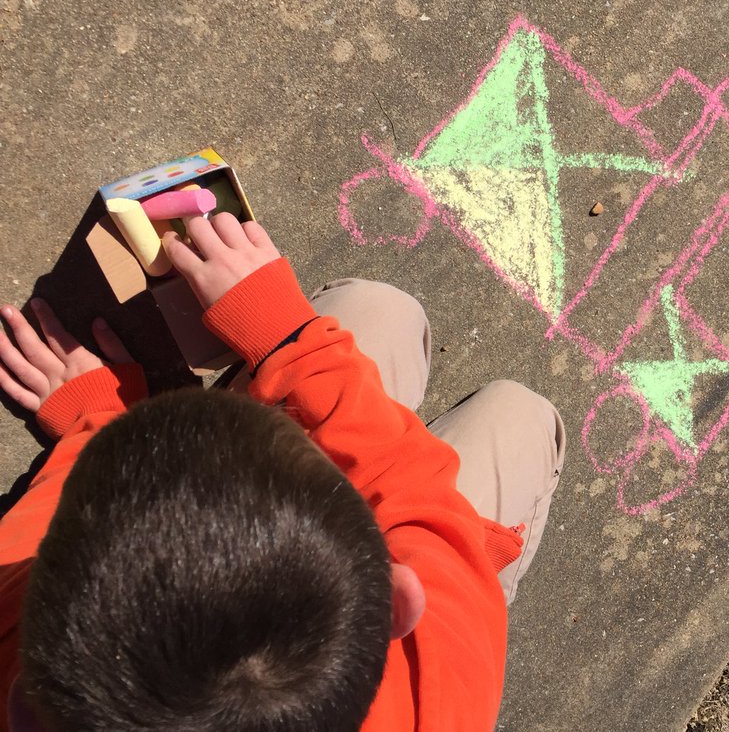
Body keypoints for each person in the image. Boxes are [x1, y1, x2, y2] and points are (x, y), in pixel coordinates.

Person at [0, 214, 565, 731]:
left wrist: (95, 425)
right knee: (516, 416)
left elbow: (27, 551)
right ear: (397, 600)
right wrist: (289, 338)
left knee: (378, 314)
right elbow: (431, 516)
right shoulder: (438, 703)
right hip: (442, 607)